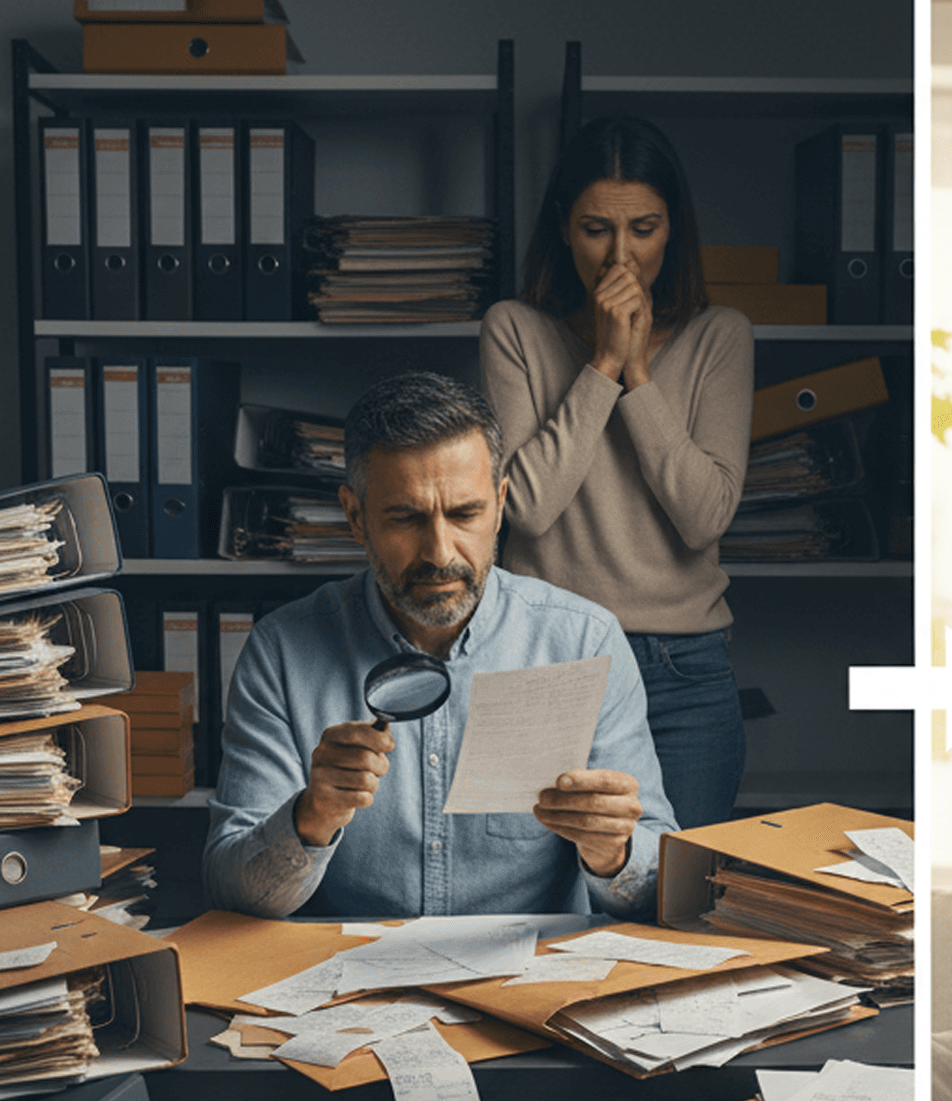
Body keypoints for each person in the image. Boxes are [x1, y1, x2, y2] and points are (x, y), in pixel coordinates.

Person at [203, 371, 677, 919]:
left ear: (500, 505)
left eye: (465, 513)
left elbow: (661, 892)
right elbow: (228, 890)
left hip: (523, 983)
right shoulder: (281, 652)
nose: (439, 552)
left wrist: (613, 853)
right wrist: (310, 817)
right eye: (406, 517)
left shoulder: (584, 642)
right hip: (353, 984)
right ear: (356, 517)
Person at [481, 115, 753, 830]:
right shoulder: (514, 329)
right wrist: (602, 362)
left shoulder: (718, 335)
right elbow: (528, 507)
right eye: (596, 228)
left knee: (677, 904)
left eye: (645, 228)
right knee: (544, 900)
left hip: (684, 669)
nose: (620, 254)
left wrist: (638, 373)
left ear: (674, 230)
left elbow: (704, 516)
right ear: (565, 230)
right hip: (546, 657)